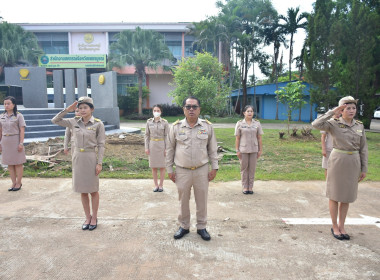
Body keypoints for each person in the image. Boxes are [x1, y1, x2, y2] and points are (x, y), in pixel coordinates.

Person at [312, 96, 368, 241]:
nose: (351, 110)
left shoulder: (359, 125)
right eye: (347, 108)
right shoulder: (333, 124)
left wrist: (364, 168)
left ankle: (342, 226)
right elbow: (316, 124)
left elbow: (363, 149)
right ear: (341, 109)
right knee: (335, 195)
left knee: (347, 197)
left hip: (353, 162)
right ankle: (334, 226)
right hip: (338, 161)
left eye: (353, 108)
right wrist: (333, 111)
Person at [166, 96, 218, 241]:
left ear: (199, 109)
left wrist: (215, 167)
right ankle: (184, 226)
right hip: (182, 170)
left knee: (202, 200)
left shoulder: (207, 127)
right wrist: (169, 169)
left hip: (201, 170)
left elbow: (212, 149)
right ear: (183, 109)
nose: (191, 110)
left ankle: (201, 226)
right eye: (188, 107)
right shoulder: (176, 127)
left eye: (194, 107)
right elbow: (170, 149)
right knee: (183, 200)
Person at [52, 97, 105, 231]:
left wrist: (99, 163)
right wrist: (67, 110)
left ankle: (94, 217)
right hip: (77, 157)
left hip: (90, 157)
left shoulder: (98, 124)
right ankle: (87, 217)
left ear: (91, 109)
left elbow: (101, 145)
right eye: (80, 108)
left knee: (93, 190)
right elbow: (55, 120)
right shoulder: (73, 122)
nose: (82, 110)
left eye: (85, 107)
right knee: (82, 190)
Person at [235, 105, 263, 195]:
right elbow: (237, 138)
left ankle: (250, 187)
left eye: (251, 111)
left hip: (254, 150)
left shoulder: (257, 124)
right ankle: (245, 187)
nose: (250, 113)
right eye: (248, 111)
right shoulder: (239, 124)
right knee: (244, 169)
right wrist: (237, 150)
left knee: (252, 169)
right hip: (243, 150)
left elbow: (259, 138)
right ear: (244, 113)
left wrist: (260, 150)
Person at [0, 96, 26, 191]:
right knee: (10, 164)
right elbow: (0, 130)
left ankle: (19, 183)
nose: (6, 105)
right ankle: (13, 183)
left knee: (18, 163)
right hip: (5, 141)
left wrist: (21, 143)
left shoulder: (19, 116)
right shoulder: (1, 116)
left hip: (15, 140)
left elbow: (22, 130)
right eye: (5, 104)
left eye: (8, 103)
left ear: (13, 105)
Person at [144, 105, 169, 192]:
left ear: (161, 112)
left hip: (162, 145)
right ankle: (155, 185)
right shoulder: (149, 122)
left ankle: (161, 185)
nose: (156, 112)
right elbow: (146, 135)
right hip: (152, 145)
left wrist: (167, 148)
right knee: (153, 167)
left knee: (162, 166)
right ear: (152, 111)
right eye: (154, 110)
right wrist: (146, 147)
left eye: (158, 110)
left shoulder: (165, 122)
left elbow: (167, 136)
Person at [321, 111, 342, 179]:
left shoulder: (342, 123)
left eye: (339, 113)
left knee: (337, 168)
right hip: (329, 149)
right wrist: (324, 149)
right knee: (327, 168)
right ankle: (328, 184)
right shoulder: (328, 123)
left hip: (339, 150)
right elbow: (323, 137)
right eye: (336, 113)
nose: (337, 115)